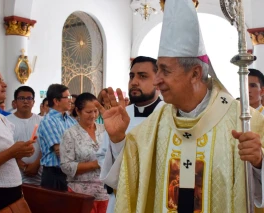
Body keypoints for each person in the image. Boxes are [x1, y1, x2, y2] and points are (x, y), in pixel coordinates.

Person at [94, 0, 264, 212]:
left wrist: (259, 163)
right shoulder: (157, 122)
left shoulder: (245, 122)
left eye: (165, 71)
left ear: (194, 74)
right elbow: (130, 180)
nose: (156, 81)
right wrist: (119, 139)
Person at [96, 56, 164, 213]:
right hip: (121, 198)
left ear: (158, 81)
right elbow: (103, 156)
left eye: (143, 76)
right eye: (132, 76)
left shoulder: (169, 115)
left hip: (154, 199)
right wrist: (116, 141)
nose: (134, 81)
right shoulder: (118, 115)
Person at [0, 65, 35, 212]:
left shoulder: (4, 120)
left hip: (14, 191)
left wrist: (20, 152)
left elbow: (6, 157)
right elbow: (7, 154)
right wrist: (12, 152)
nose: (5, 84)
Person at [60, 93, 108, 213]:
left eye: (96, 111)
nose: (93, 115)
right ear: (78, 111)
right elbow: (66, 166)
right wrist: (96, 164)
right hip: (81, 194)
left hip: (104, 192)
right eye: (88, 112)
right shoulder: (70, 134)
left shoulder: (104, 130)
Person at [37, 84, 77, 191]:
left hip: (70, 174)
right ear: (56, 101)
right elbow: (60, 150)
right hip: (54, 175)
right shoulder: (49, 121)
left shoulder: (71, 120)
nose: (70, 100)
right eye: (67, 97)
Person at [7, 86, 42, 186]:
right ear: (15, 102)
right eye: (22, 98)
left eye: (29, 98)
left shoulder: (42, 121)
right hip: (15, 175)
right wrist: (18, 162)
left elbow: (46, 146)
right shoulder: (7, 121)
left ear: (33, 102)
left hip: (39, 175)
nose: (25, 101)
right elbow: (4, 147)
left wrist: (36, 164)